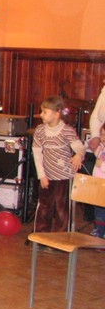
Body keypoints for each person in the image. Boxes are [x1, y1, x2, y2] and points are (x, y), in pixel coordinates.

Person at [31, 95, 84, 235]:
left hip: (64, 177)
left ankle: (60, 238)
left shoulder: (67, 131)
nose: (41, 115)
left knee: (62, 209)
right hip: (47, 176)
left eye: (44, 112)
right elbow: (37, 154)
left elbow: (80, 147)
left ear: (57, 113)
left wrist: (78, 155)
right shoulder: (40, 130)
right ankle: (41, 237)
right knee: (44, 208)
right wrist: (42, 176)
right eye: (41, 111)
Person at [89, 124, 105, 237]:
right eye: (102, 134)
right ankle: (99, 230)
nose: (103, 137)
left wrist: (102, 165)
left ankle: (101, 232)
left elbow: (101, 165)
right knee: (98, 210)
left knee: (102, 210)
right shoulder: (102, 148)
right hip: (98, 185)